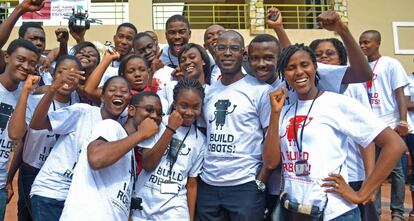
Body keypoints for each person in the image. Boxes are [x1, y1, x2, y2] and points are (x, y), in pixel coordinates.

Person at [266, 43, 406, 220]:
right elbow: (271, 162)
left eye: (305, 65)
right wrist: (275, 114)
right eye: (291, 68)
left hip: (335, 212)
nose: (299, 72)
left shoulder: (337, 104)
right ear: (284, 75)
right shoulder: (284, 111)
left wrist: (362, 194)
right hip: (295, 211)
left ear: (315, 67)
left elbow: (394, 144)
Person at [29, 75, 130, 221]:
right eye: (112, 90)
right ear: (102, 97)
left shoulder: (121, 129)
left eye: (124, 91)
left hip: (80, 202)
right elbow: (37, 124)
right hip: (53, 193)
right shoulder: (83, 112)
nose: (119, 93)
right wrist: (51, 90)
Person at [196, 30, 272, 221]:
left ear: (243, 55)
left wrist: (260, 181)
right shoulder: (208, 93)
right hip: (209, 184)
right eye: (221, 48)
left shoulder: (261, 91)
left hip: (245, 184)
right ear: (214, 53)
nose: (227, 53)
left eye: (234, 48)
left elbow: (270, 137)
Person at [60, 92, 160, 221]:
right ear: (131, 110)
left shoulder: (130, 153)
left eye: (159, 113)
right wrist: (141, 134)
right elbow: (96, 159)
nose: (155, 116)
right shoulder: (111, 126)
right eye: (149, 110)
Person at [309, 37, 378, 221]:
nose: (324, 57)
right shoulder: (310, 90)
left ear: (341, 58)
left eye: (330, 53)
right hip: (326, 176)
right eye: (318, 55)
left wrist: (369, 182)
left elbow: (367, 136)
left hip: (353, 171)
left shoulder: (353, 88)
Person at [6, 55, 81, 221]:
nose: (67, 78)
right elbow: (23, 142)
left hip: (61, 176)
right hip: (33, 170)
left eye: (73, 75)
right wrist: (10, 177)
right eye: (62, 72)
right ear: (53, 75)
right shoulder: (34, 102)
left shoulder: (79, 107)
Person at [131, 78, 205, 221]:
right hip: (143, 204)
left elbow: (191, 183)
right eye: (184, 106)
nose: (190, 112)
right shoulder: (157, 123)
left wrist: (190, 218)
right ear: (175, 103)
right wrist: (170, 128)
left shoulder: (200, 140)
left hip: (174, 209)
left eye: (196, 107)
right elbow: (147, 164)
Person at [359, 29, 410, 221]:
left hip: (389, 123)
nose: (363, 46)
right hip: (369, 124)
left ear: (377, 43)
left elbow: (400, 94)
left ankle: (397, 211)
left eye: (366, 42)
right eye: (361, 43)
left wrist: (402, 121)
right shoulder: (359, 65)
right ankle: (376, 212)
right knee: (372, 170)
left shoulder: (391, 64)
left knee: (395, 170)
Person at [0, 38, 40, 221]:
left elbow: (16, 136)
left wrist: (8, 179)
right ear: (7, 57)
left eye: (32, 64)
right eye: (21, 59)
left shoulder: (27, 97)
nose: (26, 66)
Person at [160, 43, 211, 114]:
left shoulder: (212, 92)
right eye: (182, 61)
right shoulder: (170, 87)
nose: (187, 62)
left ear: (203, 61)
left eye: (192, 57)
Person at [84, 50, 151, 104]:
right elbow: (89, 90)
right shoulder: (118, 94)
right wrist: (107, 59)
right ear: (123, 75)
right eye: (131, 71)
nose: (137, 74)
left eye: (142, 70)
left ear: (148, 72)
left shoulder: (158, 90)